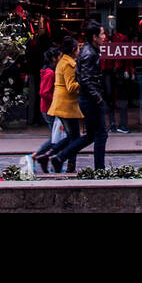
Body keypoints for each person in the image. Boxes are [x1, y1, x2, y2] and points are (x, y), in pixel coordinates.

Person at [57, 21, 109, 171]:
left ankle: (60, 157)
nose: (104, 36)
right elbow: (84, 79)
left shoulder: (89, 50)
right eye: (102, 34)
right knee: (101, 134)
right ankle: (100, 169)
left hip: (88, 98)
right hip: (90, 99)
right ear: (94, 37)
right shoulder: (89, 53)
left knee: (92, 135)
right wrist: (97, 96)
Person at [46, 35, 83, 173]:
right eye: (78, 48)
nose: (79, 50)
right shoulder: (69, 64)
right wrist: (83, 83)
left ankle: (51, 155)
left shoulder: (62, 61)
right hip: (66, 105)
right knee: (75, 138)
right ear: (73, 50)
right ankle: (64, 161)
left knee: (72, 136)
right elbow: (71, 87)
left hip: (63, 104)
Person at [29, 46, 62, 172]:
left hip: (49, 108)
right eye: (59, 56)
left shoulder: (48, 71)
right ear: (54, 58)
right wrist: (57, 98)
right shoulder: (50, 73)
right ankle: (36, 155)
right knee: (57, 138)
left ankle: (46, 160)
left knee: (57, 137)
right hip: (50, 109)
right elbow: (43, 92)